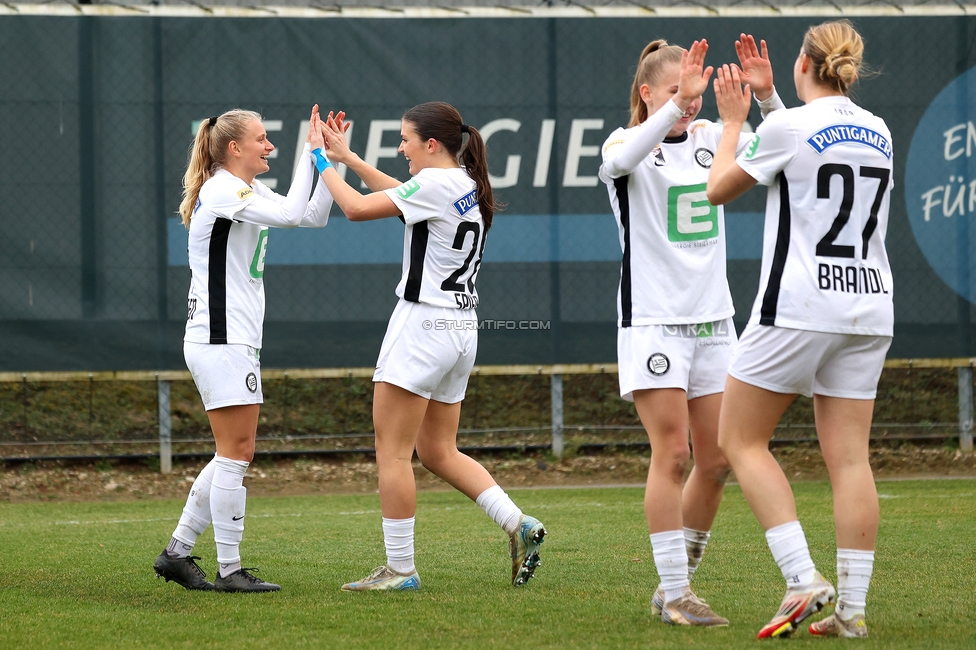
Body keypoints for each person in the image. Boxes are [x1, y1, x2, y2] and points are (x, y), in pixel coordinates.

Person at [707, 20, 893, 639]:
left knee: (740, 440)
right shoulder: (879, 128)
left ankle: (801, 576)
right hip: (868, 306)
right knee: (849, 461)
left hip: (798, 306)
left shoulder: (788, 127)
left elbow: (716, 190)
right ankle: (854, 612)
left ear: (805, 66)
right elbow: (812, 150)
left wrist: (735, 119)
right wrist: (766, 101)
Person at [312, 101, 546, 591]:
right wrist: (349, 160)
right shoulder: (466, 184)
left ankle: (401, 569)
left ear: (431, 144)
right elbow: (404, 195)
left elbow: (354, 209)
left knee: (392, 452)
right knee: (438, 450)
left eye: (405, 140)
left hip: (422, 325)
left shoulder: (436, 185)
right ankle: (518, 523)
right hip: (461, 329)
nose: (401, 148)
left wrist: (319, 160)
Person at [598, 37, 781, 626]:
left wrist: (768, 96)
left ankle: (676, 584)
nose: (692, 99)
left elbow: (791, 146)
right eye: (678, 88)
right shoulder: (624, 143)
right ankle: (676, 594)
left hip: (714, 322)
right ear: (648, 93)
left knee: (720, 457)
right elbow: (621, 162)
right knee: (672, 453)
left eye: (696, 87)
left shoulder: (714, 140)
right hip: (653, 322)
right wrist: (675, 109)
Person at [153, 106, 335, 592]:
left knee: (230, 452)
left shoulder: (245, 188)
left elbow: (312, 215)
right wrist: (311, 151)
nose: (269, 146)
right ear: (234, 148)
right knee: (237, 453)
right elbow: (295, 211)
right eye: (262, 139)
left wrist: (323, 161)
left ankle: (177, 553)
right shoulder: (220, 189)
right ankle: (230, 569)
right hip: (220, 336)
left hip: (232, 336)